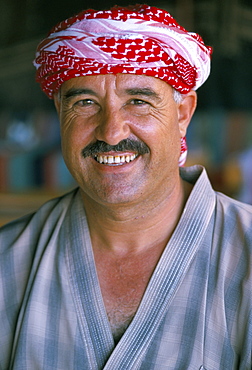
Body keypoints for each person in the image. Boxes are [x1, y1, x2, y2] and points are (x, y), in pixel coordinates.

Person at [0, 4, 251, 369]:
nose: (112, 131)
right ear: (59, 113)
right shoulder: (7, 263)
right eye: (86, 103)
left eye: (138, 101)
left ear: (182, 114)